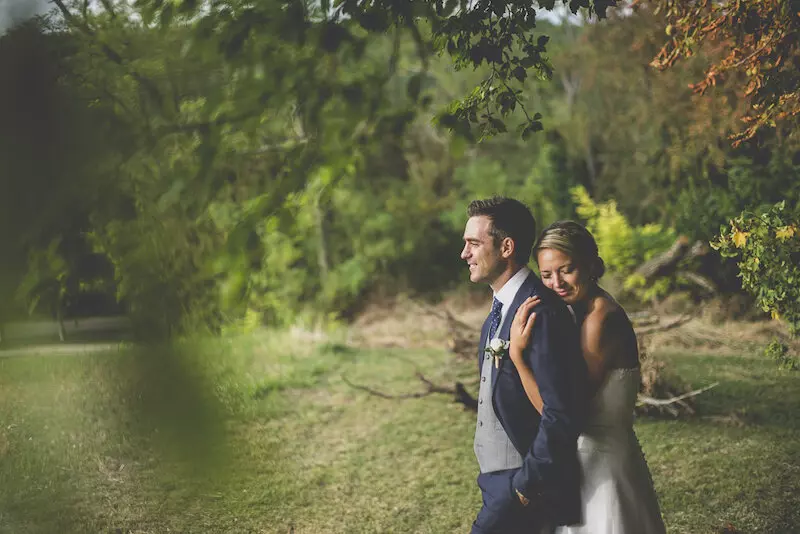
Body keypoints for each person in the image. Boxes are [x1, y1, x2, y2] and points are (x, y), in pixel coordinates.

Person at [509, 220, 667, 534]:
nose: (556, 283)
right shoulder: (582, 311)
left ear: (591, 265)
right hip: (598, 457)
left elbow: (563, 412)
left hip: (601, 469)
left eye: (566, 269)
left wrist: (517, 357)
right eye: (546, 274)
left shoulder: (599, 320)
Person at [460, 198, 589, 534]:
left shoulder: (539, 311)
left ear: (506, 247)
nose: (465, 254)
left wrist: (524, 487)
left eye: (474, 243)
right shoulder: (500, 306)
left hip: (522, 482)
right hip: (494, 478)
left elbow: (561, 412)